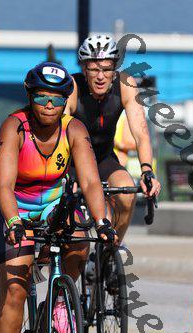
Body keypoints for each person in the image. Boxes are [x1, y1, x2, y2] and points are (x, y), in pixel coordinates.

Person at [0, 61, 117, 333]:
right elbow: (4, 184)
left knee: (81, 237)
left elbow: (90, 182)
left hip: (53, 207)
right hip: (13, 208)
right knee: (15, 289)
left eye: (57, 99)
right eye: (41, 97)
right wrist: (14, 222)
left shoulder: (74, 129)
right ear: (30, 96)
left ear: (65, 102)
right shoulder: (15, 126)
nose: (48, 105)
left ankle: (60, 300)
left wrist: (103, 222)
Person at [65, 35, 161, 245]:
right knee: (67, 206)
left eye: (107, 69)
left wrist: (147, 171)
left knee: (127, 194)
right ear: (84, 69)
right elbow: (58, 135)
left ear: (115, 70)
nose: (101, 76)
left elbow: (141, 134)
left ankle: (111, 249)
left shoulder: (125, 84)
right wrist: (62, 175)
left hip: (103, 158)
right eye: (94, 69)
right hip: (72, 162)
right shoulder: (72, 87)